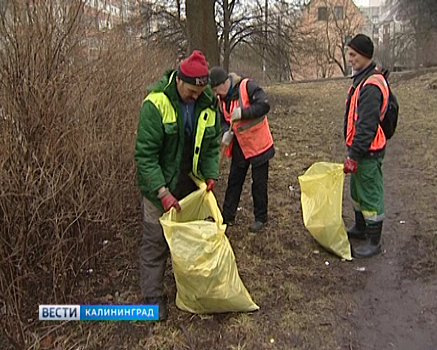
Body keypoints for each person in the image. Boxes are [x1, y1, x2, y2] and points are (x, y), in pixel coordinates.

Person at [134, 50, 221, 320]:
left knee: (190, 239)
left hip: (189, 183)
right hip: (158, 185)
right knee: (155, 241)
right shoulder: (156, 103)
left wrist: (210, 175)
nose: (195, 97)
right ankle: (153, 296)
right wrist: (162, 192)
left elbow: (210, 145)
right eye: (191, 92)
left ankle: (191, 288)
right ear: (179, 80)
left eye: (200, 92)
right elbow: (145, 156)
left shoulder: (207, 103)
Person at [209, 67, 274, 232]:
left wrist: (243, 113)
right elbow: (222, 119)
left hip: (259, 144)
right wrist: (225, 132)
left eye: (218, 89)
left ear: (226, 82)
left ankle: (261, 218)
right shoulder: (220, 99)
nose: (218, 93)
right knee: (234, 181)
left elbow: (264, 105)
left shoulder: (248, 86)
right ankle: (228, 216)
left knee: (259, 184)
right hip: (240, 146)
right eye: (215, 91)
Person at [343, 34, 389, 259]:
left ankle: (374, 240)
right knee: (357, 191)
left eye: (353, 55)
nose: (349, 59)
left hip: (367, 151)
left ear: (364, 55)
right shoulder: (363, 79)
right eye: (349, 54)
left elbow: (366, 126)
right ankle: (361, 228)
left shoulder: (371, 85)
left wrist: (354, 154)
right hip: (361, 149)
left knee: (370, 195)